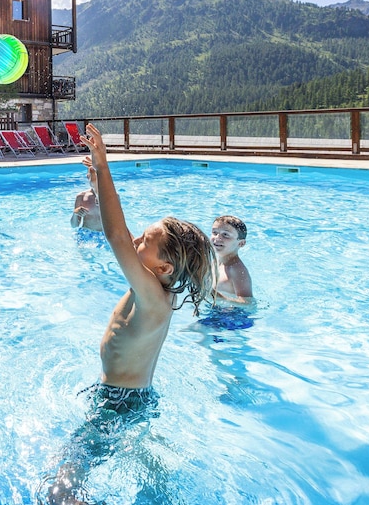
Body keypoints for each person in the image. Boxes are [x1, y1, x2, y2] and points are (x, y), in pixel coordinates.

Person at [47, 124, 216, 503]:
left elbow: (117, 235)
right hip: (129, 397)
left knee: (62, 484)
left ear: (165, 267)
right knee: (143, 469)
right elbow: (122, 233)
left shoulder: (152, 293)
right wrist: (98, 184)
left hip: (118, 401)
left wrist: (104, 169)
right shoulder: (157, 291)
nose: (136, 240)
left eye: (144, 242)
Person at [211, 215, 253, 302]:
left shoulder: (237, 270)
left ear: (241, 243)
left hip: (230, 311)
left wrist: (213, 294)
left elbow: (248, 304)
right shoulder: (215, 262)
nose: (217, 238)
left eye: (225, 235)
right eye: (215, 232)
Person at [69, 156, 102, 232]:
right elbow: (74, 225)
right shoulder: (81, 196)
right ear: (87, 177)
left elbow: (119, 222)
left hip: (105, 235)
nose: (94, 179)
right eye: (92, 176)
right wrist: (75, 213)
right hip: (86, 233)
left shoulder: (112, 196)